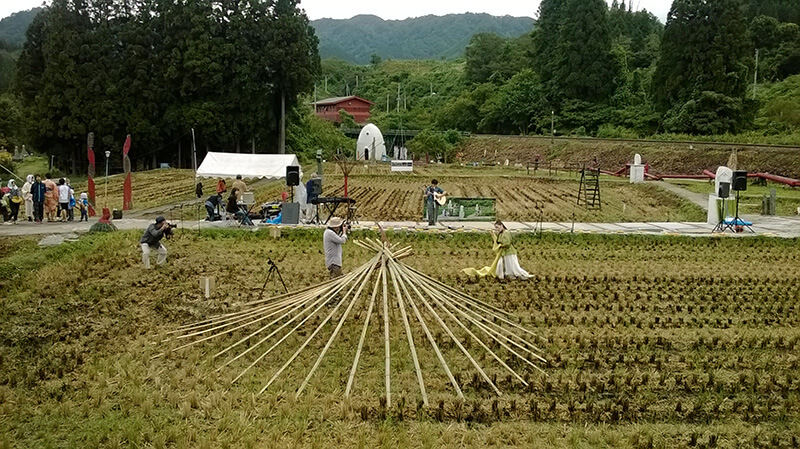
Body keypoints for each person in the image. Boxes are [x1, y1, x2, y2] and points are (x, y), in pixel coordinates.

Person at [461, 220, 531, 280]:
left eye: (497, 227)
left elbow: (507, 242)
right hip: (503, 252)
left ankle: (517, 275)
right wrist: (493, 234)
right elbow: (498, 241)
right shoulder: (501, 234)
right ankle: (505, 275)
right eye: (496, 228)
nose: (497, 229)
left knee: (512, 265)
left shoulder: (506, 232)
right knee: (502, 265)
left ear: (501, 225)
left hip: (509, 252)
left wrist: (501, 245)